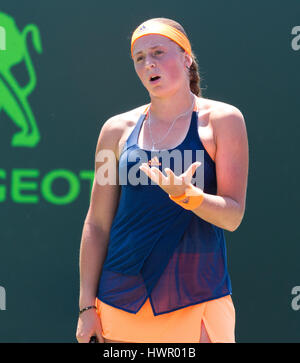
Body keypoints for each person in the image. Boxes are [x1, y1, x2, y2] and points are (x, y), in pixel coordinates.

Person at [76, 17, 249, 343]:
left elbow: (233, 215)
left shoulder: (225, 120)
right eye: (139, 57)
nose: (148, 63)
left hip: (198, 297)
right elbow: (97, 224)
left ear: (187, 58)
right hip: (120, 300)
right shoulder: (114, 131)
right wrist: (87, 308)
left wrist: (190, 197)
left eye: (158, 52)